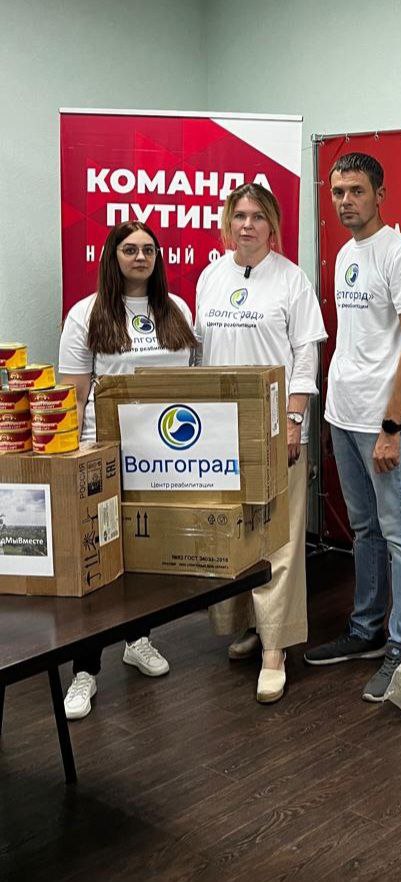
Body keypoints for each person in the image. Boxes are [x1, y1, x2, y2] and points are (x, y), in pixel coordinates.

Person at [58, 221, 197, 720]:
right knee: (98, 559)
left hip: (163, 454)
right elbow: (74, 394)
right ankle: (84, 670)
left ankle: (138, 640)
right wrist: (76, 459)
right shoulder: (87, 313)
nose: (141, 257)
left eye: (148, 250)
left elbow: (193, 382)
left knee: (142, 552)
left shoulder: (176, 309)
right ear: (112, 256)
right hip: (105, 451)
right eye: (130, 249)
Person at [304, 152, 401, 702]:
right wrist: (335, 411)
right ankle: (366, 630)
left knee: (399, 533)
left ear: (380, 194)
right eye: (338, 192)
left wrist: (391, 426)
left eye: (356, 191)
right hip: (343, 413)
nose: (345, 201)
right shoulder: (344, 254)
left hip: (383, 420)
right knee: (364, 529)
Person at [195, 182, 327, 703]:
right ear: (227, 223)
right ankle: (249, 624)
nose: (247, 224)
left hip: (276, 427)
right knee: (237, 533)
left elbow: (306, 357)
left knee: (280, 538)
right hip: (220, 430)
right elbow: (200, 352)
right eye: (239, 215)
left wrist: (294, 420)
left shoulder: (292, 280)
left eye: (257, 216)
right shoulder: (211, 277)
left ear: (272, 225)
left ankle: (275, 648)